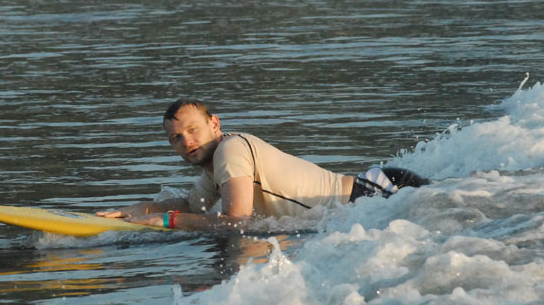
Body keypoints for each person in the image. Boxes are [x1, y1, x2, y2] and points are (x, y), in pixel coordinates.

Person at [96, 99, 428, 231]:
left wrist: (169, 221)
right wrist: (135, 211)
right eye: (176, 138)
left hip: (380, 193)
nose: (186, 142)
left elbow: (236, 222)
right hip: (368, 198)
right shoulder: (214, 166)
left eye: (192, 130)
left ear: (215, 123)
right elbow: (190, 204)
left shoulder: (230, 151)